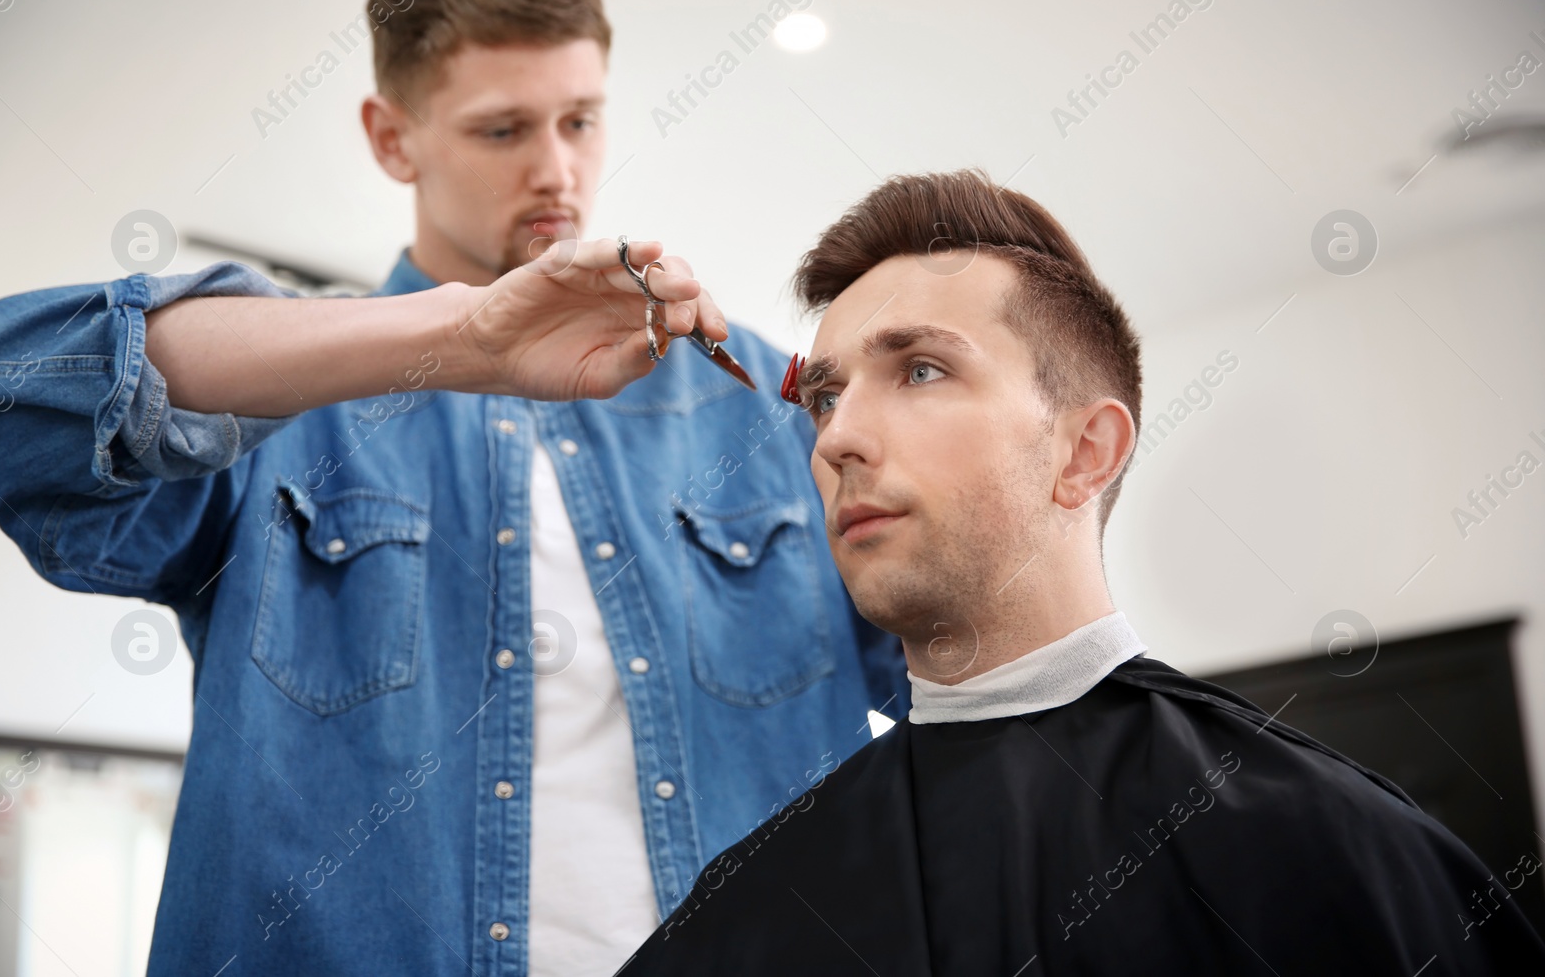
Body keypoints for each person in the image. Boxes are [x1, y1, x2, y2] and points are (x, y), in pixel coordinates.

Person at [0, 0, 905, 974]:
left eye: (581, 120)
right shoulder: (291, 400)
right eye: (503, 130)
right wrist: (462, 333)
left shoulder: (761, 409)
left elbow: (963, 671)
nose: (559, 172)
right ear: (390, 135)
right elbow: (21, 390)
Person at [615, 170, 1545, 975]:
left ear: (1085, 452)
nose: (838, 438)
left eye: (923, 371)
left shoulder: (1326, 850)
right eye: (825, 395)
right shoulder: (756, 906)